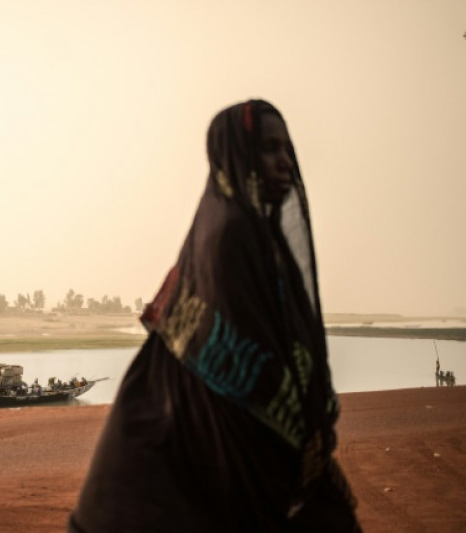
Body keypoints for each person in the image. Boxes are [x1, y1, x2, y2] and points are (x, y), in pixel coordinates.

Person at [68, 100, 360, 532]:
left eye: (286, 149)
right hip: (205, 425)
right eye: (269, 149)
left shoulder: (260, 236)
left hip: (224, 422)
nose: (285, 162)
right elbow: (246, 356)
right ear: (237, 156)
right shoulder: (232, 234)